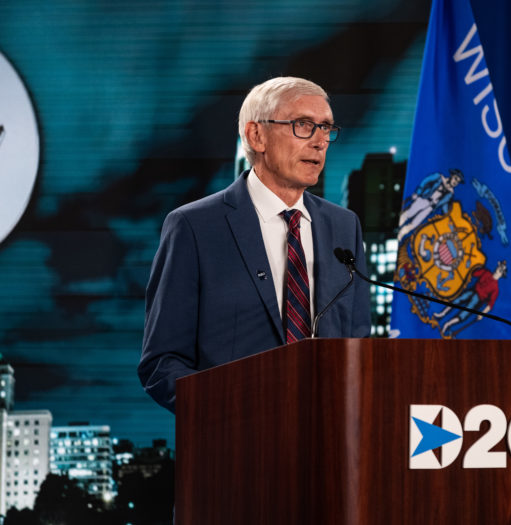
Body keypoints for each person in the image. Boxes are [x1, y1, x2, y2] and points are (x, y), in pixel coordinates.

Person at [138, 77, 371, 413]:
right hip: (235, 445)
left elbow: (358, 348)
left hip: (331, 442)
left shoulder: (344, 226)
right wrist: (229, 412)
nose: (321, 141)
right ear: (256, 135)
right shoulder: (194, 227)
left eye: (326, 128)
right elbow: (162, 363)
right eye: (304, 125)